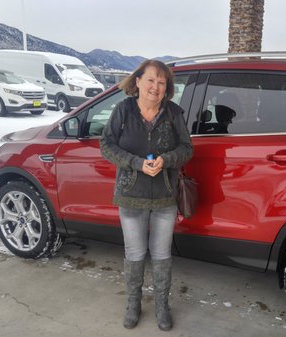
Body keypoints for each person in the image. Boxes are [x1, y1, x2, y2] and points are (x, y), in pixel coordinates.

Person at [99, 60, 193, 331]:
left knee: (162, 254)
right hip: (130, 195)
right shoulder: (123, 110)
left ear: (167, 88)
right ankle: (133, 304)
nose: (155, 87)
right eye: (151, 80)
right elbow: (106, 144)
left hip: (164, 195)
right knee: (135, 252)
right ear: (137, 81)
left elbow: (187, 149)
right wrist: (136, 163)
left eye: (161, 82)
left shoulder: (174, 114)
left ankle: (163, 305)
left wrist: (166, 159)